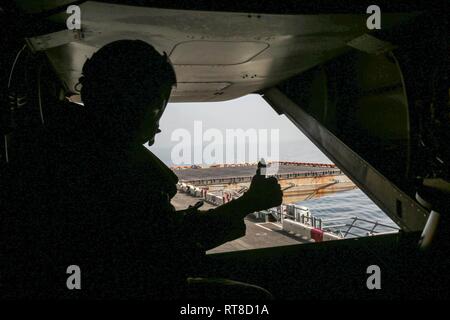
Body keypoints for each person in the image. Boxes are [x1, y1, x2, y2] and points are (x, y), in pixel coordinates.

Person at [1, 40, 282, 299]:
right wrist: (248, 203)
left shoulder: (66, 145)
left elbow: (145, 230)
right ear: (133, 103)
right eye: (156, 105)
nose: (158, 122)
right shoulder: (109, 167)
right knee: (256, 302)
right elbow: (170, 249)